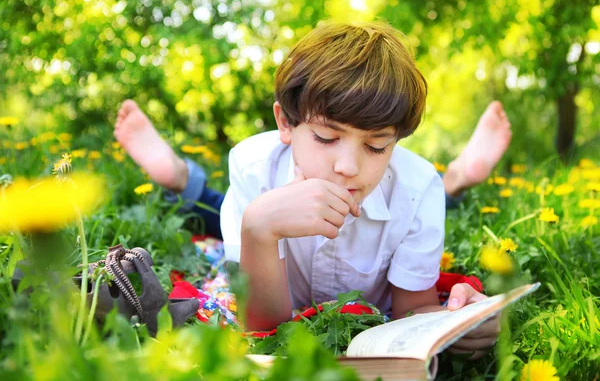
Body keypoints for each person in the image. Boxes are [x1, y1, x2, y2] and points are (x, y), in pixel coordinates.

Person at [114, 22, 511, 358]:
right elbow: (261, 324)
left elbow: (413, 310)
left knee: (428, 192)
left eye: (376, 146)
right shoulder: (255, 165)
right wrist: (258, 229)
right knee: (218, 217)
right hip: (255, 202)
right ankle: (181, 178)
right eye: (325, 137)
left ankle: (456, 178)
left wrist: (459, 322)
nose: (348, 167)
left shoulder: (416, 186)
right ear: (285, 123)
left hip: (417, 191)